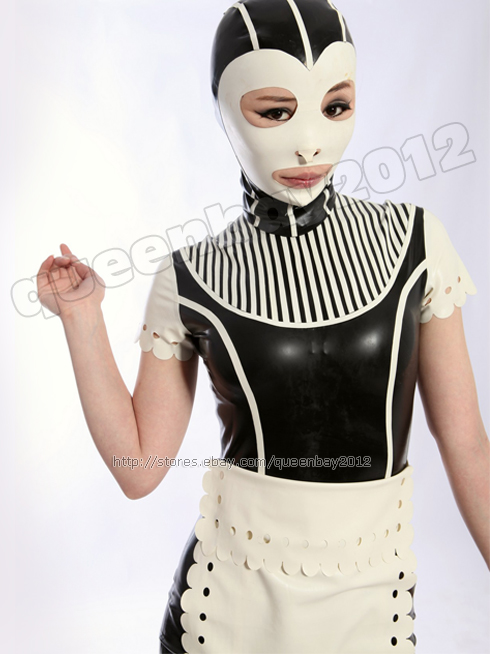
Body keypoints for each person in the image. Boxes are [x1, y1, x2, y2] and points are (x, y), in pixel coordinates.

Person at [36, 1, 489, 652]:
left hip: (370, 602)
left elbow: (468, 444)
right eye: (276, 111)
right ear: (224, 109)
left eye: (335, 106)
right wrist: (81, 319)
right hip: (225, 610)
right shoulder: (190, 275)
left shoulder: (415, 245)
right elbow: (140, 469)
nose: (310, 142)